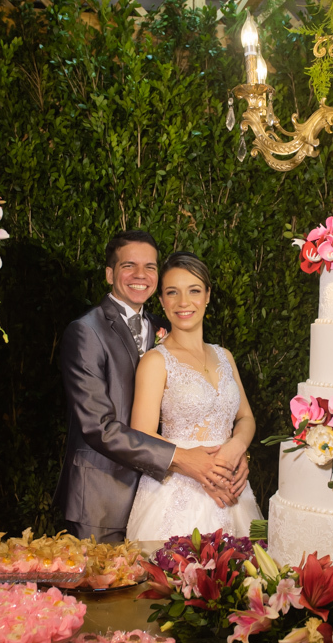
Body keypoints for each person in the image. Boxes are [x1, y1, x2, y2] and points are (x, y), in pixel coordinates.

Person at [55, 231, 248, 543]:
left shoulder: (165, 325)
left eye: (150, 267)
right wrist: (184, 459)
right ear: (109, 274)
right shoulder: (86, 331)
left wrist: (233, 453)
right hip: (103, 496)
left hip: (161, 489)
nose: (140, 275)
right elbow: (98, 427)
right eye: (129, 266)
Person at [126, 251, 262, 541]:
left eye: (194, 291)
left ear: (208, 295)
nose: (183, 302)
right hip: (177, 492)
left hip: (232, 488)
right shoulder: (155, 361)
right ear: (161, 300)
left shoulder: (225, 356)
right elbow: (141, 434)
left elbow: (246, 418)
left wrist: (237, 447)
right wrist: (194, 463)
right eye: (172, 292)